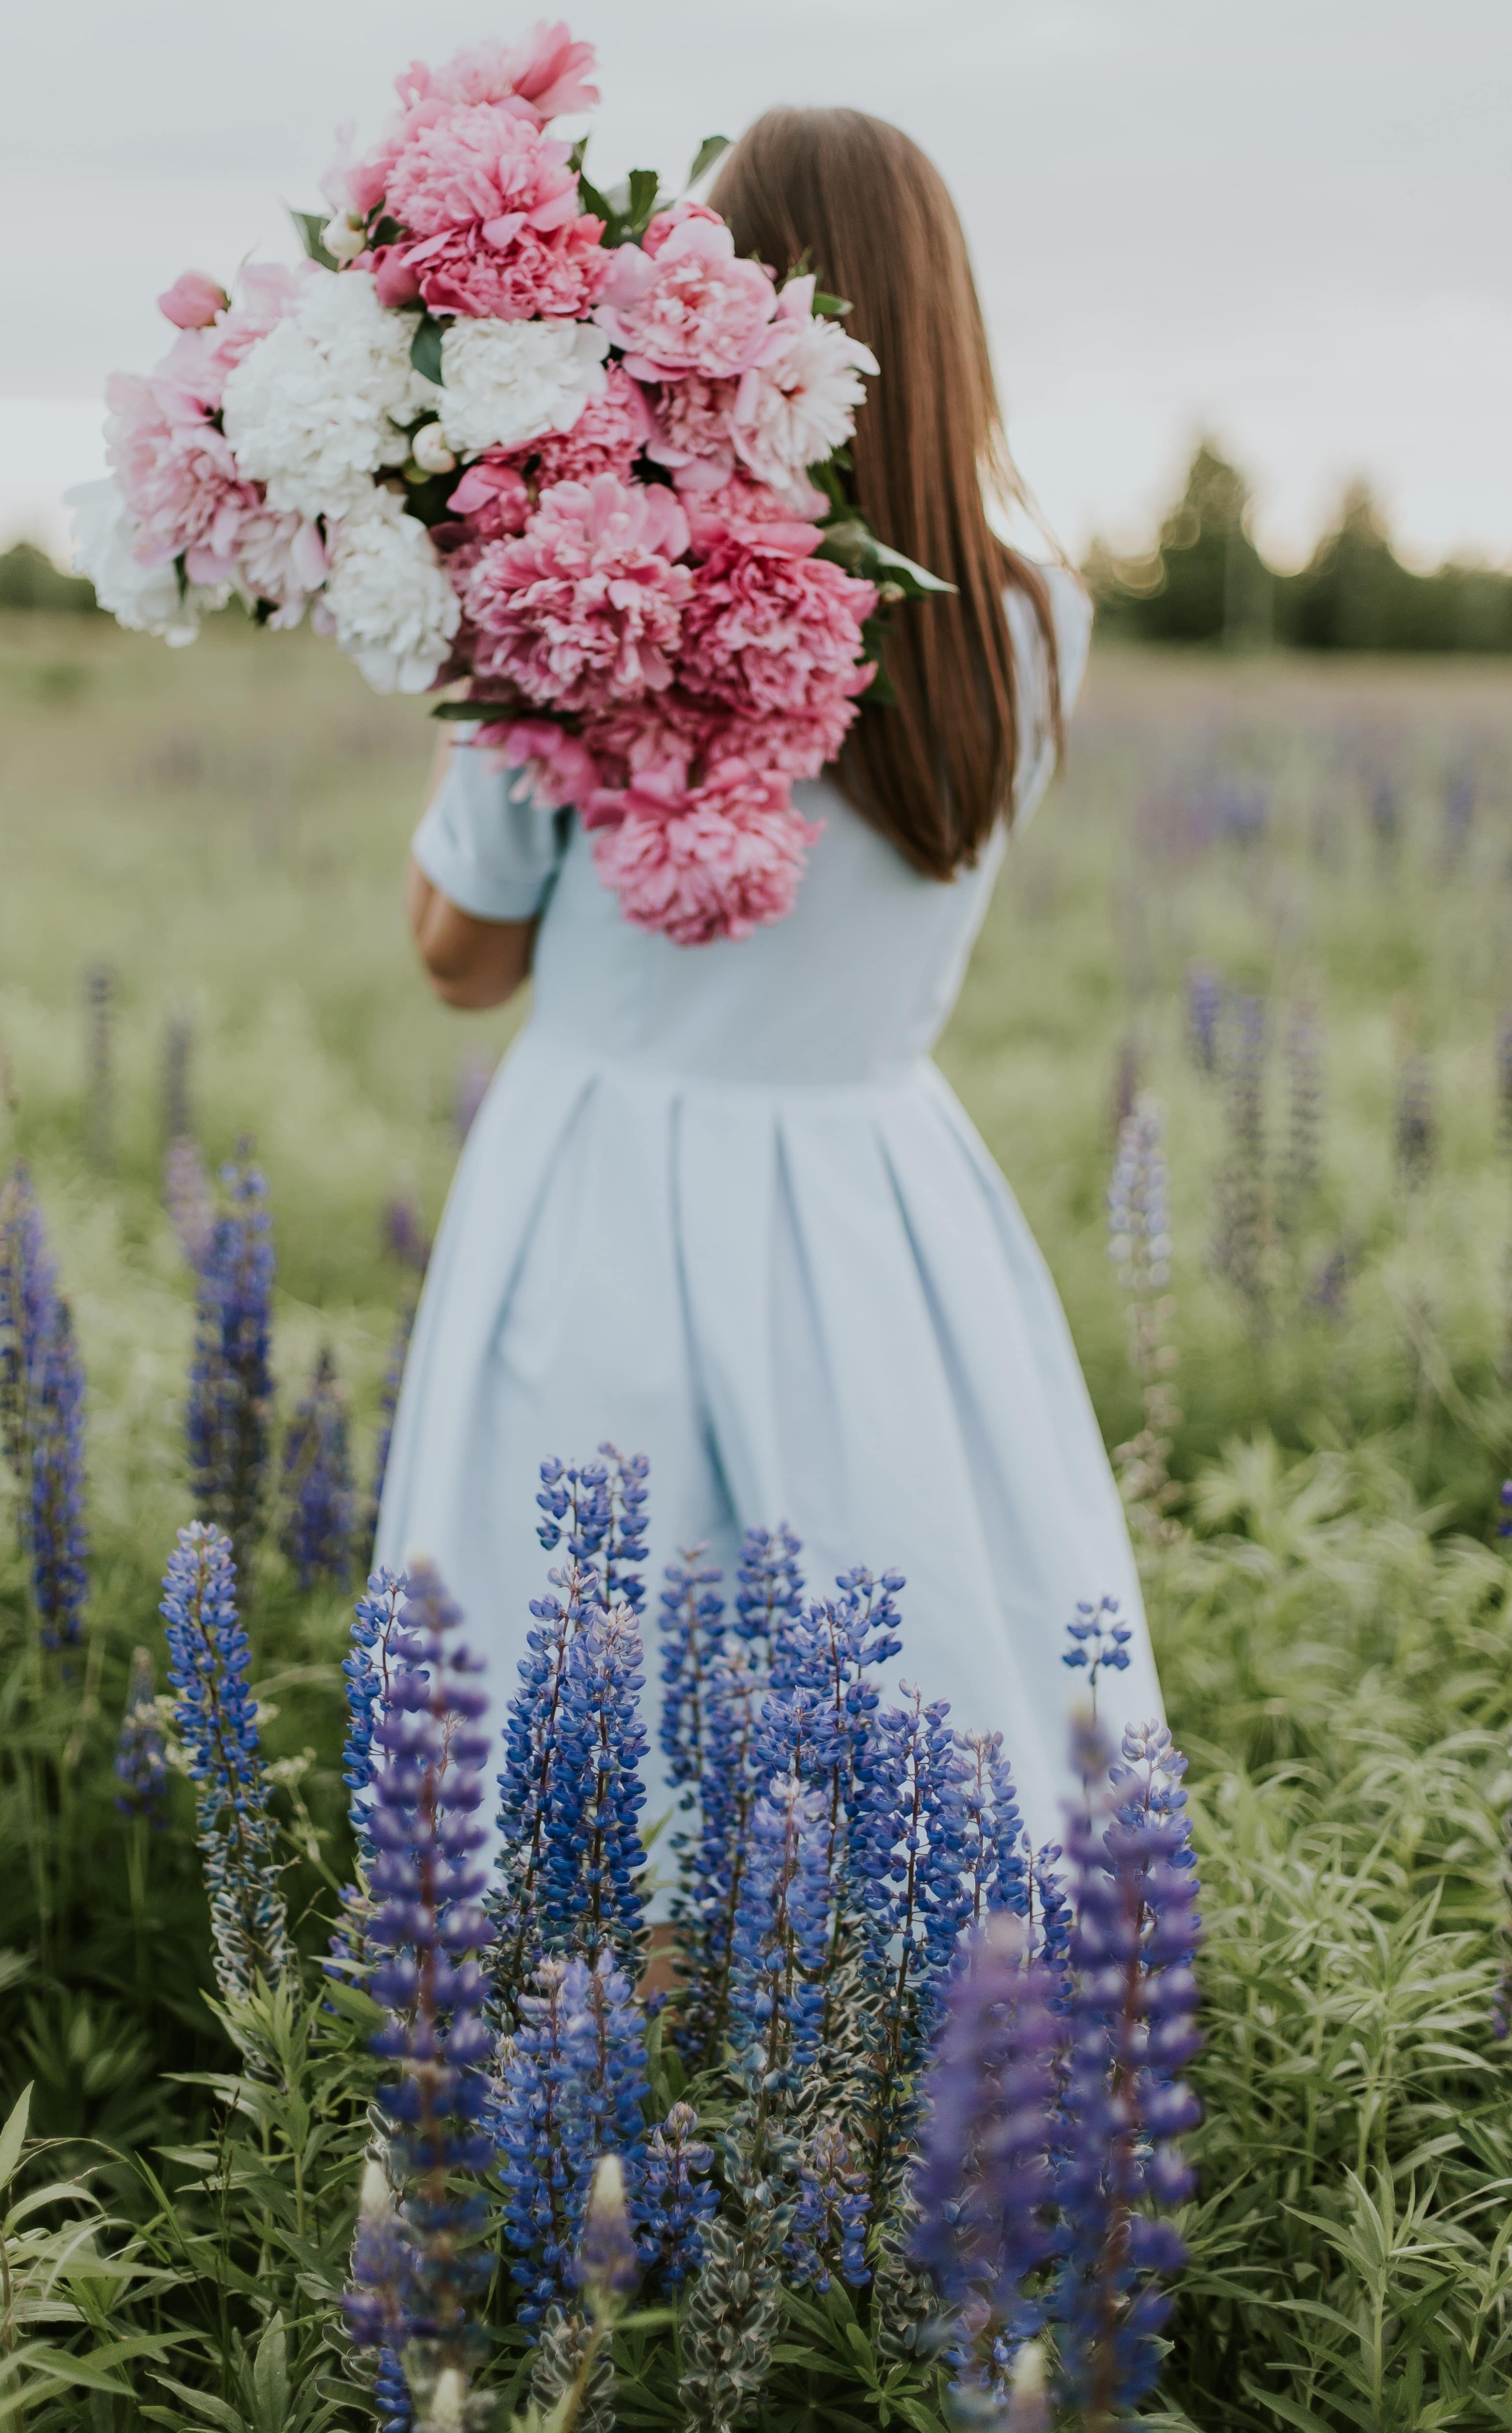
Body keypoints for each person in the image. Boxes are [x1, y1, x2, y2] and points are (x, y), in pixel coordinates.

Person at [381, 105, 1161, 1847]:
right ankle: (897, 2095)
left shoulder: (605, 585)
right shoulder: (1030, 619)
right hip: (878, 1196)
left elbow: (457, 960)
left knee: (591, 1753)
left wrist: (475, 656)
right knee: (907, 1717)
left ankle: (581, 2090)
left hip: (604, 1186)